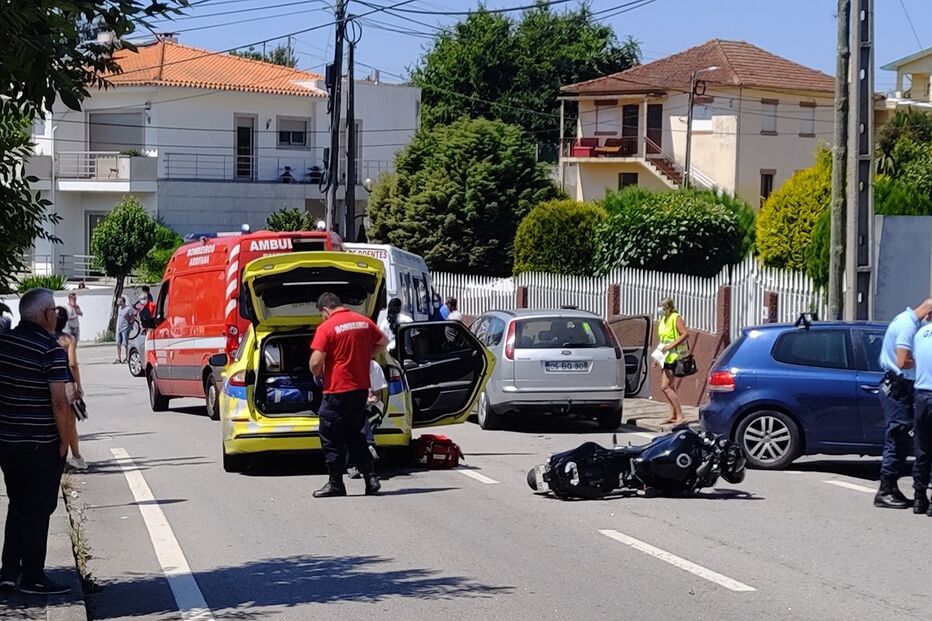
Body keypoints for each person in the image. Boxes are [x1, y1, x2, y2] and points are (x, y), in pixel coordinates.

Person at [0, 288, 76, 595]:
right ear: (46, 315)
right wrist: (65, 441)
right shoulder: (49, 349)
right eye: (55, 310)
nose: (57, 315)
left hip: (6, 442)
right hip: (40, 443)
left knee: (18, 502)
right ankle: (32, 576)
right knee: (39, 508)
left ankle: (8, 571)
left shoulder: (3, 343)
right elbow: (60, 403)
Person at [309, 292, 389, 498]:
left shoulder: (326, 328)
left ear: (325, 310)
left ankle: (336, 483)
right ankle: (370, 478)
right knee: (355, 434)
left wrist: (317, 374)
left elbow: (316, 362)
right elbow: (383, 342)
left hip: (336, 390)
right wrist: (364, 355)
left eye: (322, 314)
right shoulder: (363, 322)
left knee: (330, 435)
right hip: (360, 389)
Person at [875, 299, 932, 509]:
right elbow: (903, 361)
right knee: (898, 437)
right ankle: (885, 490)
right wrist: (923, 359)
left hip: (897, 387)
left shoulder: (906, 318)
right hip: (898, 389)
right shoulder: (908, 326)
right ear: (929, 314)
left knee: (904, 437)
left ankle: (891, 487)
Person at [54, 308, 85, 469]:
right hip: (66, 384)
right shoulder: (68, 340)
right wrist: (78, 386)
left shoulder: (44, 338)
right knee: (69, 424)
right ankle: (75, 457)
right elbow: (72, 364)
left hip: (47, 384)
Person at [655, 297, 690, 425]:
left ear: (669, 307)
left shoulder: (676, 318)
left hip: (675, 356)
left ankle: (680, 415)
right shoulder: (663, 320)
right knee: (670, 386)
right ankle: (673, 414)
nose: (660, 310)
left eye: (662, 308)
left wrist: (671, 346)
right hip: (665, 357)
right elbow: (663, 340)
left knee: (665, 387)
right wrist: (657, 357)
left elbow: (685, 334)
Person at [911, 316, 932, 516]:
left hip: (922, 395)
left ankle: (919, 498)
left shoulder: (920, 334)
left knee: (923, 449)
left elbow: (914, 361)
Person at [115, 296, 135, 364]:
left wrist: (130, 326)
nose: (118, 302)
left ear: (122, 301)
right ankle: (119, 358)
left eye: (119, 301)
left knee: (126, 344)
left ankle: (127, 358)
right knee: (118, 343)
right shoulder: (119, 308)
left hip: (125, 329)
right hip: (119, 329)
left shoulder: (128, 309)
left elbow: (132, 318)